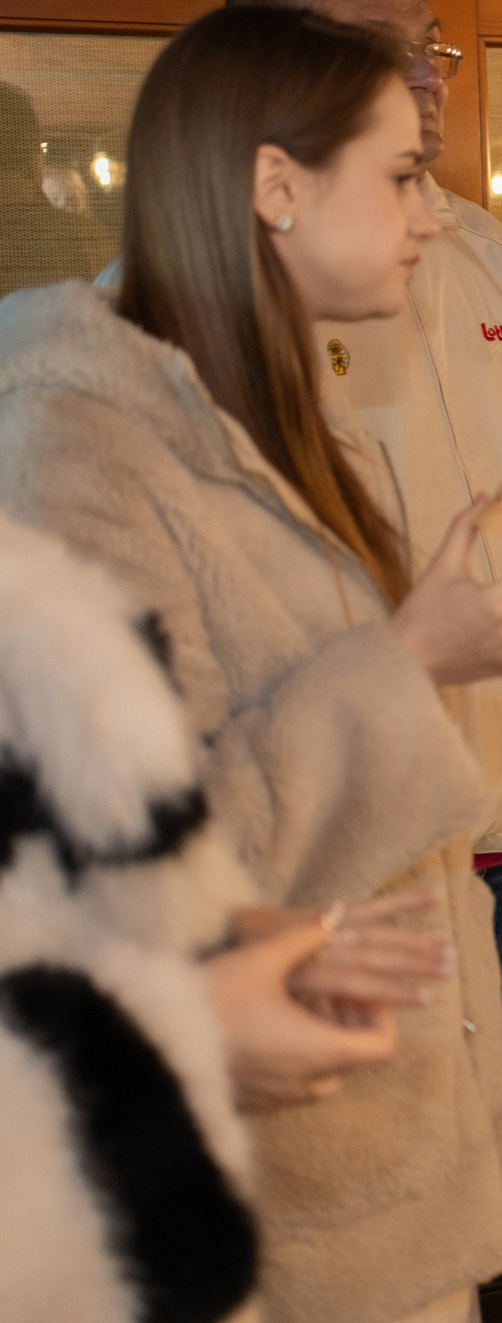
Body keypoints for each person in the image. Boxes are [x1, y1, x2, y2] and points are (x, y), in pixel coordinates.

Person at [0, 4, 502, 1323]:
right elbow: (132, 868)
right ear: (275, 185)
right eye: (400, 175)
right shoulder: (75, 451)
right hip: (268, 1213)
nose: (427, 215)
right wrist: (413, 655)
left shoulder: (280, 407)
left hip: (383, 1152)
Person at [227, 0, 502, 1089]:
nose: (423, 75)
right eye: (371, 47)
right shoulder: (213, 288)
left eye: (427, 48)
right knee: (352, 1170)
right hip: (357, 853)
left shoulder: (486, 250)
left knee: (494, 1151)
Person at [0, 512, 458, 1321]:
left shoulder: (26, 577)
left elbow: (60, 894)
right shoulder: (74, 469)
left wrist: (220, 936)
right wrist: (184, 1029)